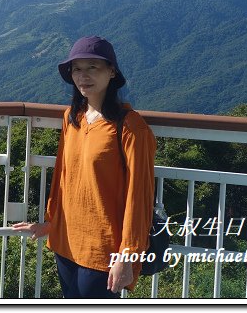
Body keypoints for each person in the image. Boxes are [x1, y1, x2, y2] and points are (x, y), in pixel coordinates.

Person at [13, 35, 156, 298]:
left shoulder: (130, 127)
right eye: (76, 68)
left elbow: (140, 196)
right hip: (66, 242)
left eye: (93, 67)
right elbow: (63, 177)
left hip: (103, 250)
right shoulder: (72, 117)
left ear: (112, 72)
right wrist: (51, 222)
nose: (83, 75)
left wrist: (128, 255)